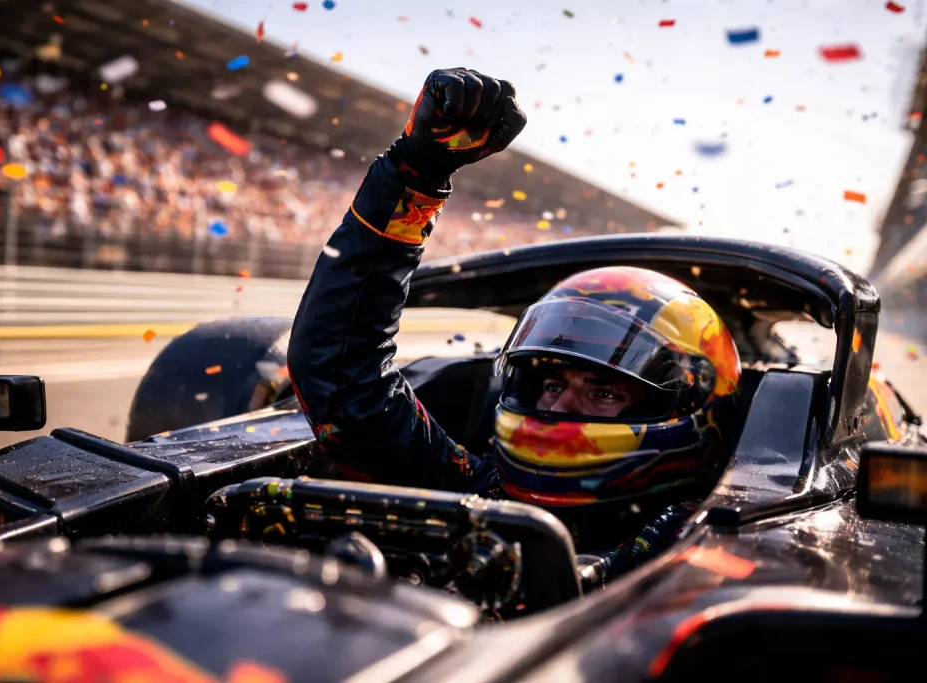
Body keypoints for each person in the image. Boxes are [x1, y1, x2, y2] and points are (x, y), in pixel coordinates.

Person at [287, 68, 741, 590]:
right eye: (550, 384)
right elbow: (341, 376)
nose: (557, 409)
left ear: (688, 407)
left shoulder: (715, 554)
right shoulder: (486, 489)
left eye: (601, 390)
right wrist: (417, 172)